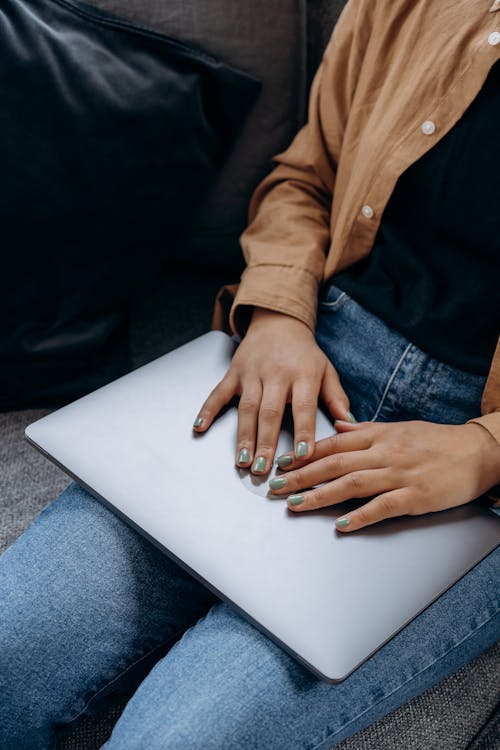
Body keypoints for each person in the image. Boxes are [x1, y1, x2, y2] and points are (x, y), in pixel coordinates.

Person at [1, 0, 499, 748]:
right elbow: (305, 179)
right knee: (11, 646)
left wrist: (486, 449)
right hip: (310, 355)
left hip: (470, 474)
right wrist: (277, 316)